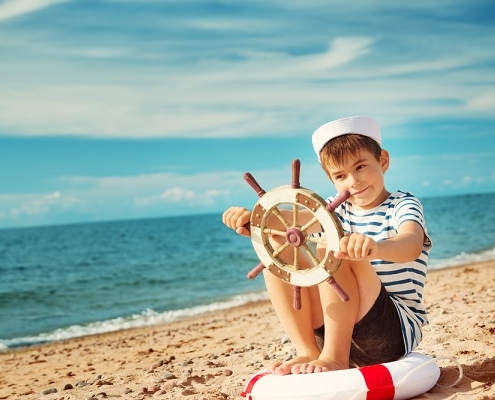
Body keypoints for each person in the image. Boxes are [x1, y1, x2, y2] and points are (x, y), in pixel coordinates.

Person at [222, 116, 432, 375]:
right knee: (279, 246)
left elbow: (411, 243)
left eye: (361, 167)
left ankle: (334, 358)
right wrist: (250, 220)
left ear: (383, 161)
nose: (353, 181)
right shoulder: (334, 208)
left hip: (389, 332)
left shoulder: (402, 204)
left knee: (331, 247)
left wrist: (376, 248)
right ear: (331, 179)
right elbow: (288, 223)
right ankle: (308, 350)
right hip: (335, 331)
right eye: (340, 175)